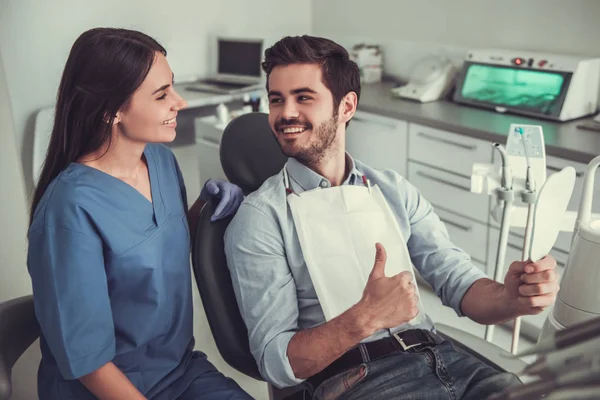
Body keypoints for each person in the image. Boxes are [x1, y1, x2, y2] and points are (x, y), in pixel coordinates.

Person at [224, 35, 560, 400]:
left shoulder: (392, 190)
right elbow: (275, 364)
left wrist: (510, 298)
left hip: (448, 361)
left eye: (303, 97)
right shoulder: (261, 217)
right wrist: (365, 317)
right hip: (357, 378)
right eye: (277, 99)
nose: (285, 113)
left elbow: (458, 283)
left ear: (346, 106)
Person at [27, 28, 251, 400]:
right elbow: (89, 364)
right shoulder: (68, 211)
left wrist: (203, 211)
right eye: (162, 95)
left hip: (178, 371)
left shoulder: (161, 160)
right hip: (109, 389)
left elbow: (156, 245)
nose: (179, 102)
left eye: (172, 88)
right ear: (111, 110)